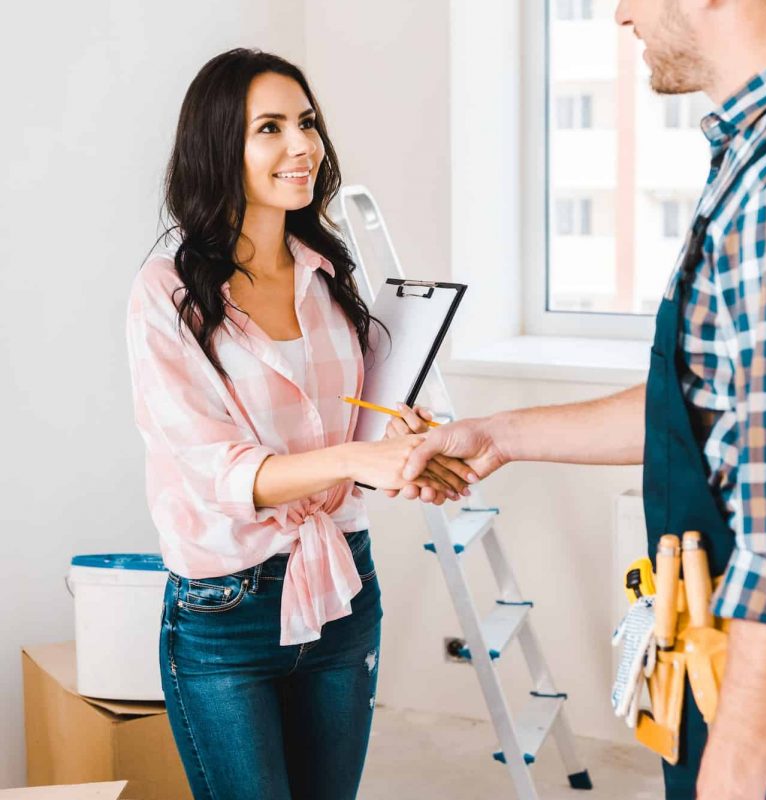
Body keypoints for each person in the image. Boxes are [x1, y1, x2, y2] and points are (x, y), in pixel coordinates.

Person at [397, 2, 766, 798]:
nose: (620, 13)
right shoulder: (753, 158)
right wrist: (499, 434)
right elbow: (704, 414)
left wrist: (733, 775)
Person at [126, 48, 471, 800]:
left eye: (307, 123)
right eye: (271, 128)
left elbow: (355, 424)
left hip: (344, 586)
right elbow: (223, 474)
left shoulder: (328, 273)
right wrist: (358, 458)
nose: (302, 146)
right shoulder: (167, 294)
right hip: (225, 610)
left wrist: (404, 446)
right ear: (219, 146)